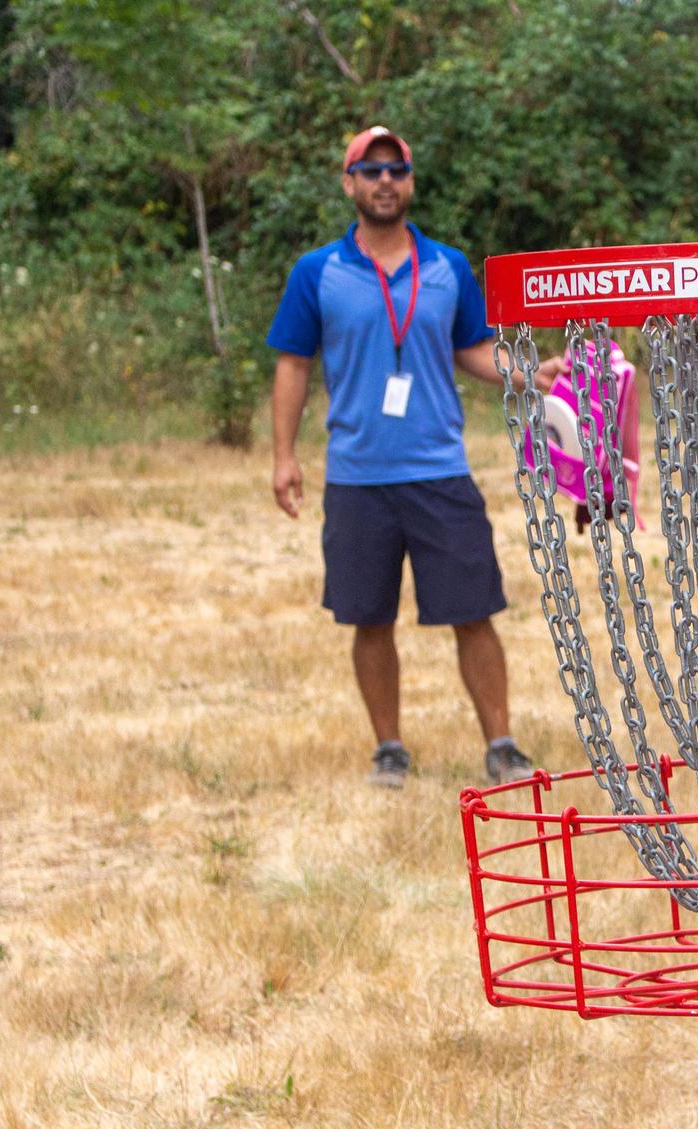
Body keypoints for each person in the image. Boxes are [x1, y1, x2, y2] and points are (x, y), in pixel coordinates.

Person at [267, 125, 561, 788]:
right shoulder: (318, 272)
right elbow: (293, 364)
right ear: (348, 184)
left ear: (411, 181)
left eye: (395, 169)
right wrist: (284, 456)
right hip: (356, 475)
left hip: (438, 470)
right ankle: (389, 749)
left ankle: (502, 745)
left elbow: (474, 348)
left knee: (473, 611)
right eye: (368, 171)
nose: (383, 182)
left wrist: (528, 371)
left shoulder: (447, 267)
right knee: (369, 617)